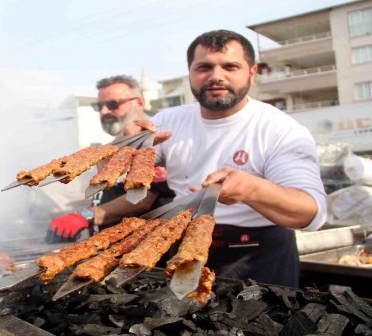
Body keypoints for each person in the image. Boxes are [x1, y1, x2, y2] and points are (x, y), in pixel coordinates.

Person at [67, 30, 327, 288]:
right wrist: (122, 145)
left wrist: (251, 189)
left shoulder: (280, 130)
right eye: (204, 67)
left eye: (230, 66)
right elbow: (111, 174)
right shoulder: (169, 121)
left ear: (252, 71)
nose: (216, 76)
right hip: (182, 249)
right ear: (190, 72)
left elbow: (311, 213)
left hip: (258, 257)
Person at [45, 75, 172, 243]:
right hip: (106, 250)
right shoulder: (112, 145)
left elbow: (143, 199)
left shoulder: (155, 141)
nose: (104, 111)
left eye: (114, 104)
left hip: (141, 252)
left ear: (140, 103)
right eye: (99, 106)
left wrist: (85, 216)